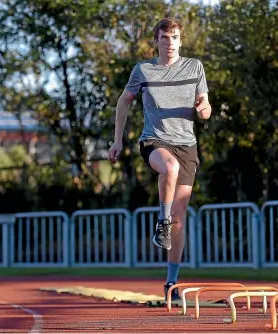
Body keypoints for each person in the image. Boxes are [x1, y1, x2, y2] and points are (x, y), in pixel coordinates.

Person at [107, 17, 211, 300]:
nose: (169, 43)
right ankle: (161, 221)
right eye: (164, 37)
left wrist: (203, 108)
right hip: (155, 141)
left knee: (180, 220)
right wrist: (117, 140)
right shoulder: (143, 70)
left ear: (180, 40)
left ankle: (172, 282)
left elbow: (206, 108)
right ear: (156, 41)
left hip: (187, 145)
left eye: (174, 37)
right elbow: (123, 101)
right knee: (169, 167)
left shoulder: (194, 67)